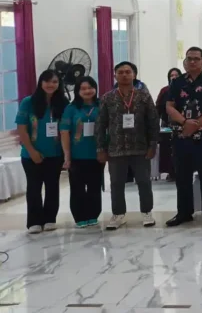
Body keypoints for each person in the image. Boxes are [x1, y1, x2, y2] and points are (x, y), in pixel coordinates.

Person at [96, 61, 160, 230]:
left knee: (144, 182)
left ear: (134, 75)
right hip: (116, 148)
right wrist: (100, 148)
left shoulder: (144, 96)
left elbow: (153, 121)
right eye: (120, 72)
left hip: (140, 148)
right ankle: (118, 214)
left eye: (128, 72)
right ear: (115, 75)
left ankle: (147, 212)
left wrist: (153, 145)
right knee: (116, 183)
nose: (124, 75)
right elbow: (100, 125)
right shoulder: (107, 98)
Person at [165, 47, 202, 227]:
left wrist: (196, 124)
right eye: (189, 58)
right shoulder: (177, 82)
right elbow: (169, 106)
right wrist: (185, 122)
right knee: (182, 175)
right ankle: (184, 212)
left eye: (196, 59)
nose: (192, 62)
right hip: (181, 134)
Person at [17, 70, 68, 233]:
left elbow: (67, 129)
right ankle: (34, 221)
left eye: (55, 82)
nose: (50, 85)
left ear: (59, 84)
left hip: (55, 153)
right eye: (47, 81)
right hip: (31, 154)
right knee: (34, 187)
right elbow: (22, 129)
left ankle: (50, 218)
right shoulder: (28, 102)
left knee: (52, 186)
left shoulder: (63, 102)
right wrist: (31, 151)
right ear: (41, 83)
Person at [60, 77, 104, 228]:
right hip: (77, 155)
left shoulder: (101, 106)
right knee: (77, 187)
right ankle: (79, 216)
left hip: (97, 154)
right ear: (77, 91)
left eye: (90, 87)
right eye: (83, 88)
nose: (87, 91)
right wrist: (67, 156)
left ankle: (93, 214)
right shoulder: (71, 109)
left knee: (95, 186)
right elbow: (64, 132)